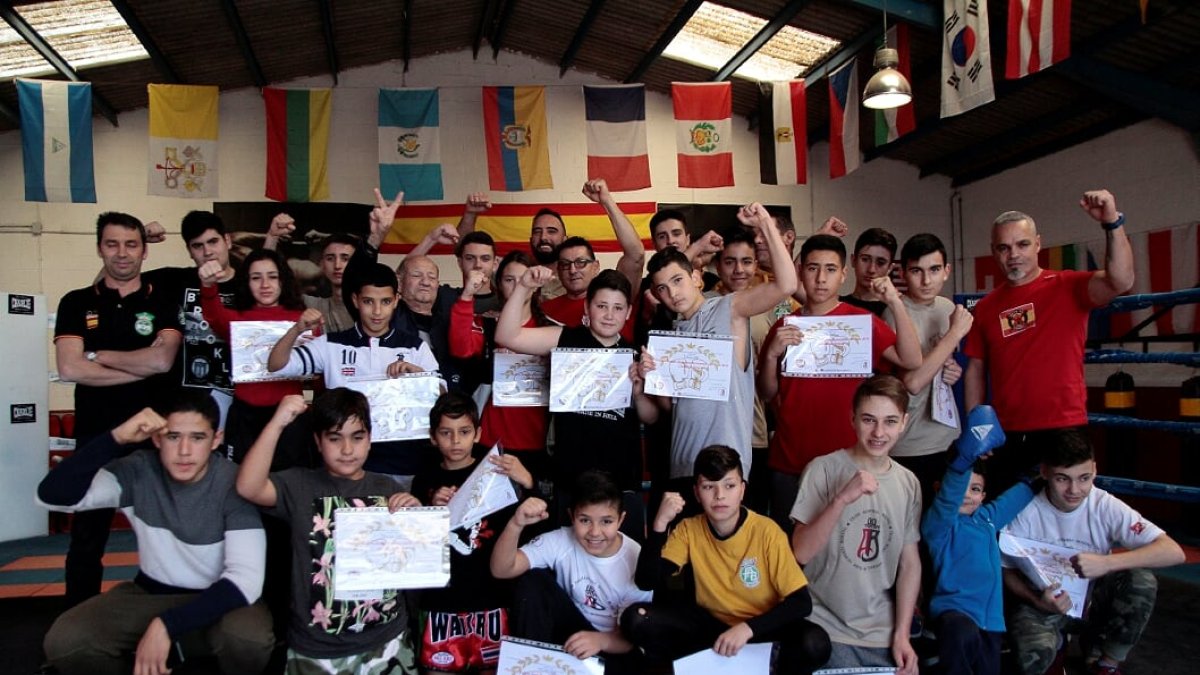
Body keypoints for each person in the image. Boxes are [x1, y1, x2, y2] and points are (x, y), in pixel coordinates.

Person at [39, 391, 273, 675]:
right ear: (157, 439)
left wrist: (166, 625)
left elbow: (245, 581)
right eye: (173, 437)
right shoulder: (138, 471)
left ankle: (175, 647)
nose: (184, 451)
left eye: (197, 438)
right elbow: (53, 495)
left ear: (216, 439)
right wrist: (116, 438)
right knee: (66, 641)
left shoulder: (235, 482)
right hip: (149, 594)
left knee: (248, 640)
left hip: (220, 598)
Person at [236, 390, 422, 673]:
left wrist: (416, 516)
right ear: (318, 442)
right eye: (335, 438)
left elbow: (413, 559)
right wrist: (277, 423)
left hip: (387, 641)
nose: (347, 450)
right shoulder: (299, 485)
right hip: (316, 648)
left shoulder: (388, 489)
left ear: (370, 440)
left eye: (357, 437)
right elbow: (248, 486)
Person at [963, 190, 1135, 491]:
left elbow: (1121, 280)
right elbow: (975, 369)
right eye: (1004, 247)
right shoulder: (987, 307)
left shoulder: (1067, 286)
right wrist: (977, 427)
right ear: (993, 251)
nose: (1013, 254)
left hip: (1063, 426)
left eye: (1022, 244)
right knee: (1008, 521)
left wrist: (1111, 223)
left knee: (1067, 519)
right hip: (1007, 432)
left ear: (1038, 244)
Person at [54, 211, 183, 608]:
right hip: (97, 435)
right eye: (112, 244)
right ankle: (73, 624)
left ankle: (167, 624)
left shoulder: (162, 300)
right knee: (88, 536)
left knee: (165, 532)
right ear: (99, 249)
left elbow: (162, 363)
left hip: (152, 435)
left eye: (131, 245)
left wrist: (100, 356)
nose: (122, 254)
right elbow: (70, 367)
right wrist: (138, 368)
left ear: (144, 251)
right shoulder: (76, 302)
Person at [757, 235, 921, 529]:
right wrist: (770, 355)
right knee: (790, 555)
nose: (821, 279)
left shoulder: (861, 322)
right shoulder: (785, 326)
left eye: (831, 269)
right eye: (813, 268)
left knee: (844, 549)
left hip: (850, 462)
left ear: (844, 274)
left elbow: (911, 360)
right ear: (800, 271)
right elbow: (767, 392)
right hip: (791, 461)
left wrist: (895, 302)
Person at [639, 203, 797, 506]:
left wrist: (764, 223)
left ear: (697, 279)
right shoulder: (672, 336)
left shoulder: (730, 308)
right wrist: (651, 378)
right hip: (684, 465)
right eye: (662, 288)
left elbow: (787, 284)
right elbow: (672, 407)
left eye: (678, 281)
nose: (673, 293)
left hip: (726, 469)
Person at [623, 445, 830, 673]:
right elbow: (646, 581)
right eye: (709, 487)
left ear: (742, 490)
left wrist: (747, 628)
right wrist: (659, 526)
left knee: (815, 643)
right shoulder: (689, 529)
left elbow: (801, 602)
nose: (719, 495)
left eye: (729, 486)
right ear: (697, 493)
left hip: (759, 628)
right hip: (711, 627)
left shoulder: (767, 532)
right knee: (636, 619)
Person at [1001, 428, 1185, 675]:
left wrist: (1108, 563)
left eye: (1084, 478)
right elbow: (1006, 570)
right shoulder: (1023, 509)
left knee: (1140, 580)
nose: (1074, 490)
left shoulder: (1104, 504)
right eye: (1062, 478)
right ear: (1044, 472)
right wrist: (1037, 601)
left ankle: (1106, 663)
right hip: (1043, 601)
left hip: (1093, 602)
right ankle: (1056, 651)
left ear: (1095, 470)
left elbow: (1173, 551)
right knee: (1033, 660)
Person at [495, 268, 657, 523]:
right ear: (586, 307)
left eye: (617, 308)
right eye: (601, 306)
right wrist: (524, 286)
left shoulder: (636, 353)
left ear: (628, 312)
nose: (609, 315)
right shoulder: (564, 339)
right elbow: (506, 336)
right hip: (571, 476)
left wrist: (638, 392)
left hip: (621, 477)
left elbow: (650, 417)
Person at [789, 375, 922, 674]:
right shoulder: (823, 469)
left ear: (904, 422)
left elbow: (910, 564)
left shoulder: (908, 483)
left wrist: (901, 634)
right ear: (852, 419)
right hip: (825, 625)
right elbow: (800, 553)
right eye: (868, 420)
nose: (878, 432)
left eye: (889, 421)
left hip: (882, 632)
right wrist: (841, 499)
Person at [267, 262, 440, 486]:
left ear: (396, 300)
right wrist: (297, 329)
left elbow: (441, 397)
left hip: (402, 464)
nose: (377, 311)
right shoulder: (330, 345)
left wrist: (418, 376)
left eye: (385, 302)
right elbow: (276, 365)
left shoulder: (415, 347)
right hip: (343, 465)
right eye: (369, 302)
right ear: (356, 300)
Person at [411, 392, 536, 675]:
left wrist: (528, 480)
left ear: (478, 434)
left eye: (464, 432)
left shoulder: (496, 472)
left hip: (491, 596)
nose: (455, 441)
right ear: (433, 437)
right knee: (437, 669)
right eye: (446, 433)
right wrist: (430, 508)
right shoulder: (425, 479)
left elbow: (531, 522)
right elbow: (416, 543)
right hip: (441, 599)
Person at [490, 472, 651, 670]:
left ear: (621, 519)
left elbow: (634, 636)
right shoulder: (560, 540)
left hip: (615, 644)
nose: (594, 532)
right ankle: (531, 665)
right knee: (532, 580)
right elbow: (502, 570)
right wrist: (516, 524)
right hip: (571, 634)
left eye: (606, 522)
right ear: (571, 517)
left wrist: (600, 641)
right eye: (585, 520)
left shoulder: (637, 559)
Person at [921, 405, 1032, 675]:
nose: (968, 495)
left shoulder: (987, 519)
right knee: (960, 638)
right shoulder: (940, 524)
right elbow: (949, 497)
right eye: (964, 487)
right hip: (955, 615)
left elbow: (1020, 495)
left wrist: (1043, 477)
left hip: (992, 623)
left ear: (984, 495)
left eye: (976, 489)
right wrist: (965, 458)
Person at [143, 210, 291, 396]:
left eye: (213, 242)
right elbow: (115, 280)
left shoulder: (249, 285)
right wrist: (139, 237)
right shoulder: (175, 280)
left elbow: (264, 274)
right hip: (186, 403)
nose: (207, 252)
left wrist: (272, 238)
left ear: (227, 241)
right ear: (189, 251)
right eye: (198, 246)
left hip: (241, 399)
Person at [705, 227, 799, 512]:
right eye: (730, 261)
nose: (738, 270)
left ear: (757, 264)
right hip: (712, 427)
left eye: (746, 261)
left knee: (752, 512)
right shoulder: (704, 303)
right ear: (718, 265)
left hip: (755, 426)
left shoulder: (773, 305)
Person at [884, 233, 974, 508]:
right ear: (903, 273)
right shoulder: (895, 312)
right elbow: (912, 381)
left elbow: (941, 367)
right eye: (916, 271)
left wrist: (952, 370)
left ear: (946, 271)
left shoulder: (947, 308)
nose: (926, 281)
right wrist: (954, 334)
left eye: (934, 270)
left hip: (947, 437)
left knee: (943, 528)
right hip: (909, 443)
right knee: (912, 534)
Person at [449, 250, 552, 485]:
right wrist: (466, 296)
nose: (518, 286)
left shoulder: (549, 328)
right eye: (509, 280)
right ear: (498, 285)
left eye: (523, 279)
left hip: (537, 441)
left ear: (535, 284)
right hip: (490, 438)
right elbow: (460, 348)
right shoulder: (487, 324)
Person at [199, 248, 308, 463]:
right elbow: (213, 314)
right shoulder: (237, 321)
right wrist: (208, 285)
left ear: (283, 280)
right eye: (256, 278)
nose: (265, 285)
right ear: (246, 283)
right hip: (244, 415)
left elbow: (315, 367)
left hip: (289, 414)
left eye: (272, 277)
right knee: (238, 480)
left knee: (290, 482)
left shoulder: (302, 319)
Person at [539, 179, 647, 341]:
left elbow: (636, 255)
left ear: (596, 266)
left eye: (581, 262)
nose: (573, 270)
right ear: (558, 270)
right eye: (566, 264)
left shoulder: (615, 295)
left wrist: (606, 201)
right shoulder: (543, 310)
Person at [303, 232, 358, 334]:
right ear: (322, 264)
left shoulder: (370, 307)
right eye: (330, 259)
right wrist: (272, 237)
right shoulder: (315, 305)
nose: (337, 265)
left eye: (345, 259)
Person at [840, 227, 899, 316]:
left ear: (890, 268)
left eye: (880, 263)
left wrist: (895, 303)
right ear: (853, 260)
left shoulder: (896, 309)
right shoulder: (837, 304)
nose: (871, 269)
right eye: (865, 259)